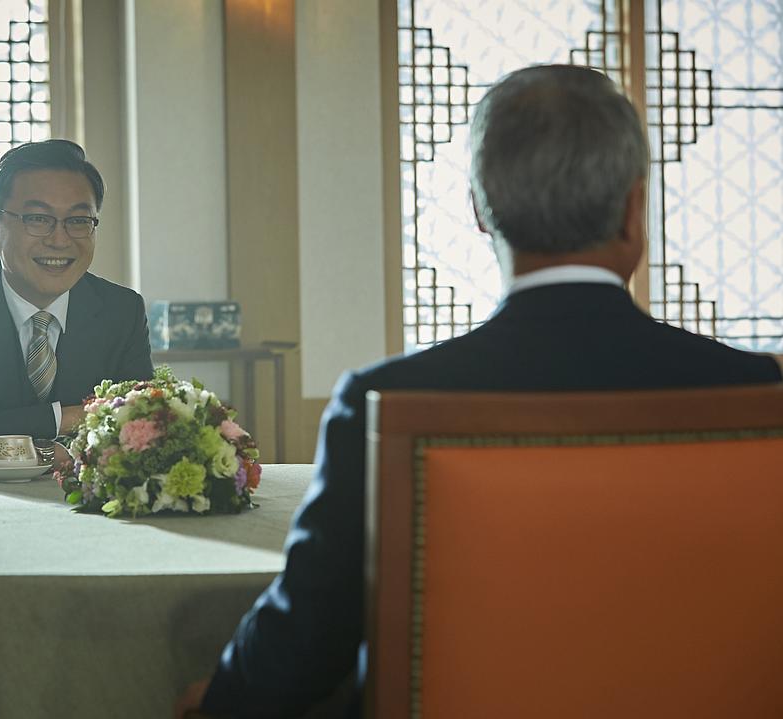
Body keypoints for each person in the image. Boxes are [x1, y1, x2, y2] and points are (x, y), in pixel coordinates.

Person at [177, 64, 783, 718]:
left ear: (478, 210)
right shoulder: (758, 392)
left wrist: (222, 699)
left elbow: (306, 643)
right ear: (636, 211)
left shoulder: (382, 401)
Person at [0, 139, 154, 475]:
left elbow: (141, 432)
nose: (60, 240)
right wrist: (65, 418)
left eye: (78, 220)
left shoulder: (121, 311)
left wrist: (48, 453)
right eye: (38, 219)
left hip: (89, 503)